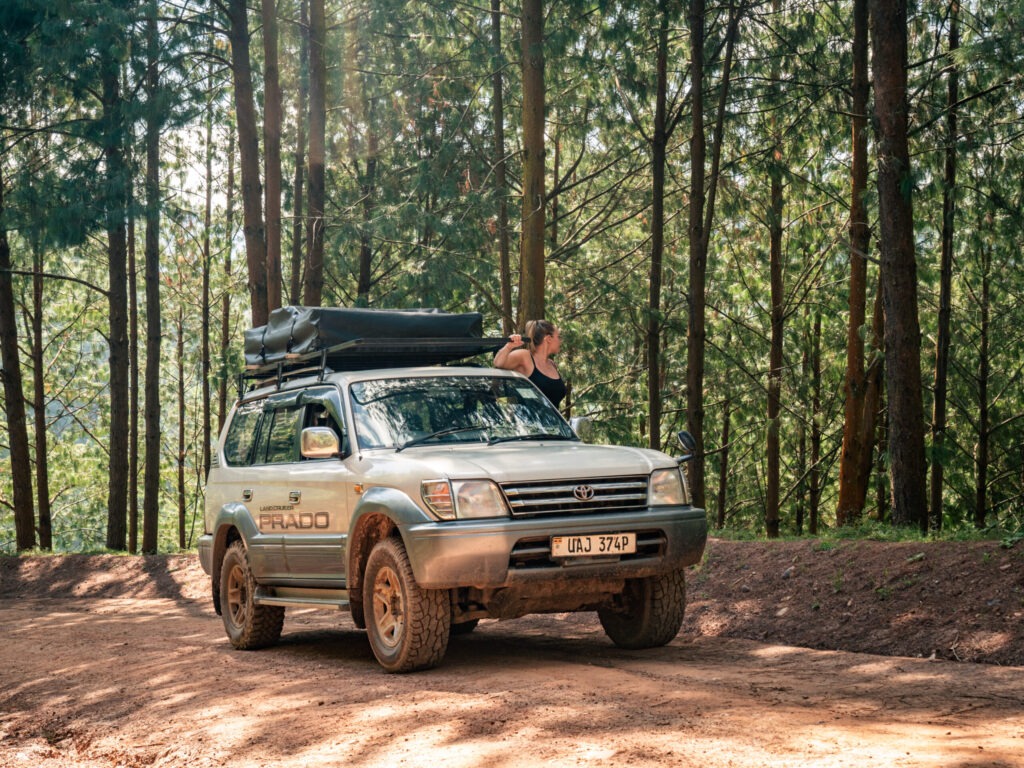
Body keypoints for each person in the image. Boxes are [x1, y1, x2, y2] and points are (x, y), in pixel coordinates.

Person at [493, 319, 567, 408]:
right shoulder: (524, 356)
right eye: (558, 337)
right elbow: (498, 363)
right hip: (528, 421)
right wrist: (509, 346)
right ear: (548, 339)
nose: (560, 341)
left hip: (553, 421)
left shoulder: (552, 364)